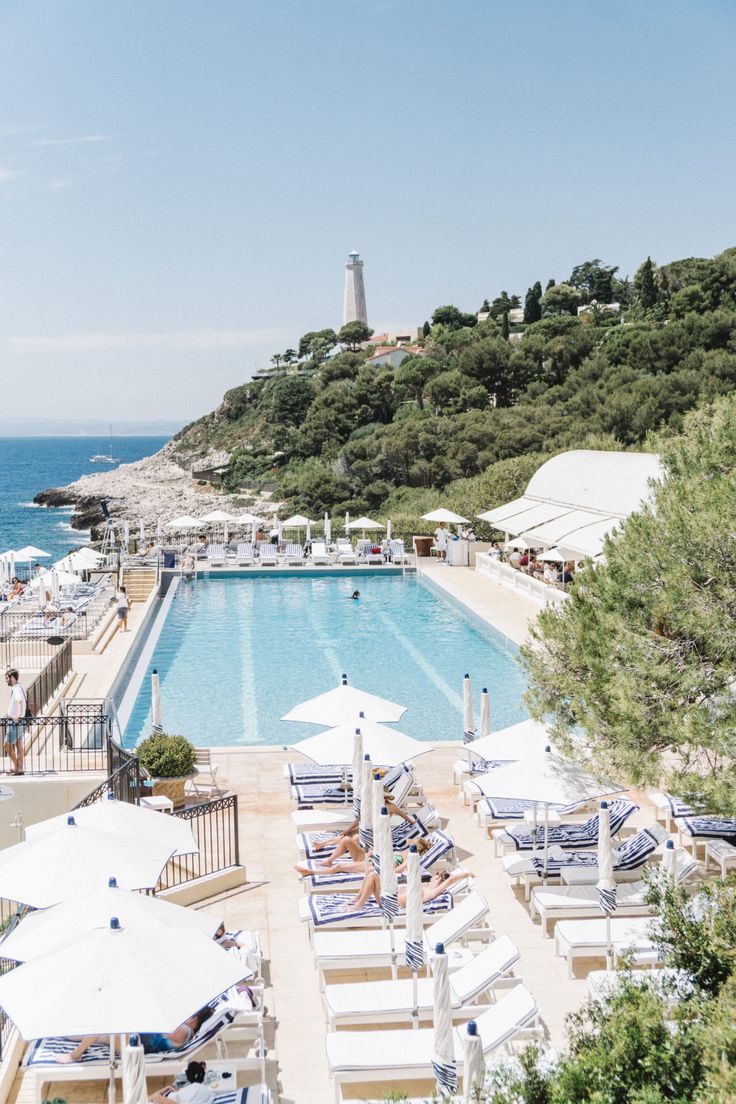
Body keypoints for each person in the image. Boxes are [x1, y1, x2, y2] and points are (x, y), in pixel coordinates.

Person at [57, 1006, 214, 1064]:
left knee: (108, 1022)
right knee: (98, 1032)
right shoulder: (185, 1030)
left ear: (194, 1019)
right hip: (131, 1040)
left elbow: (159, 1026)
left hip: (132, 1048)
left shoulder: (184, 1031)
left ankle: (76, 1055)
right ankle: (63, 1031)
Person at [295, 834, 431, 878]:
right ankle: (328, 861)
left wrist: (381, 869)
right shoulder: (405, 852)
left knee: (340, 866)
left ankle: (310, 872)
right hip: (370, 858)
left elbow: (398, 870)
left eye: (413, 844)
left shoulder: (411, 858)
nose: (409, 845)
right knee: (347, 840)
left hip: (373, 865)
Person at [343, 867, 469, 913]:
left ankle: (359, 905)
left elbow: (450, 881)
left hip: (390, 903)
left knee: (373, 876)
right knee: (372, 872)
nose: (435, 876)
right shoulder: (425, 885)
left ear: (440, 883)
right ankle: (358, 898)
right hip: (390, 895)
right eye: (437, 873)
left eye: (438, 877)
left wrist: (465, 874)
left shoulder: (432, 892)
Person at [4, 667, 26, 775]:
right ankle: (19, 768)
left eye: (7, 678)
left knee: (7, 745)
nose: (6, 680)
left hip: (15, 722)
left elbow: (19, 701)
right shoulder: (21, 687)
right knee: (19, 745)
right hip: (19, 721)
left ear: (12, 678)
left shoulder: (16, 688)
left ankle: (17, 767)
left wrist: (18, 715)